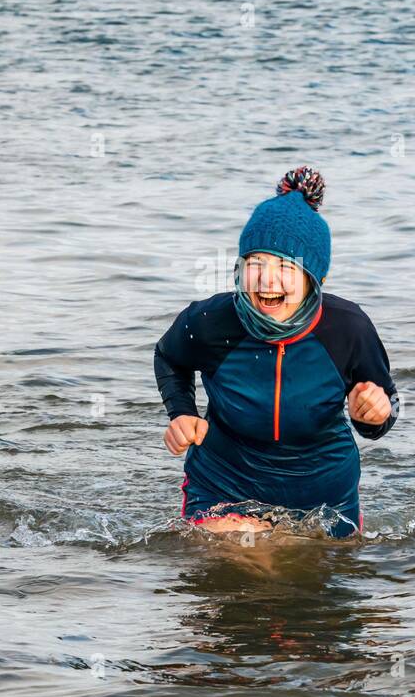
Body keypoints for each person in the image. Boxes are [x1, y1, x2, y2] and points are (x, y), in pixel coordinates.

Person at [154, 167, 398, 538]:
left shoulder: (348, 328)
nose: (268, 280)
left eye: (285, 266)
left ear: (314, 279)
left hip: (324, 496)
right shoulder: (210, 321)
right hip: (225, 485)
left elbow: (386, 408)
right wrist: (181, 413)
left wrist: (374, 415)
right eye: (257, 264)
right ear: (239, 270)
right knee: (246, 556)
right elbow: (169, 357)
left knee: (316, 581)